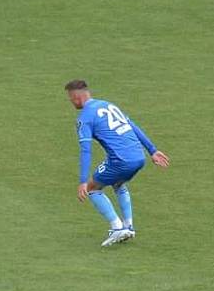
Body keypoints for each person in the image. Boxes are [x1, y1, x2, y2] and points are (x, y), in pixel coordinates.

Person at [65, 80, 170, 247]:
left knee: (93, 188)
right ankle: (129, 226)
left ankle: (117, 227)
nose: (70, 102)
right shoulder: (108, 104)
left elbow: (86, 150)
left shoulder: (84, 118)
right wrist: (152, 150)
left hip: (121, 160)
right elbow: (132, 126)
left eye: (70, 99)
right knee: (118, 183)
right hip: (138, 157)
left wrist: (83, 181)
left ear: (76, 97)